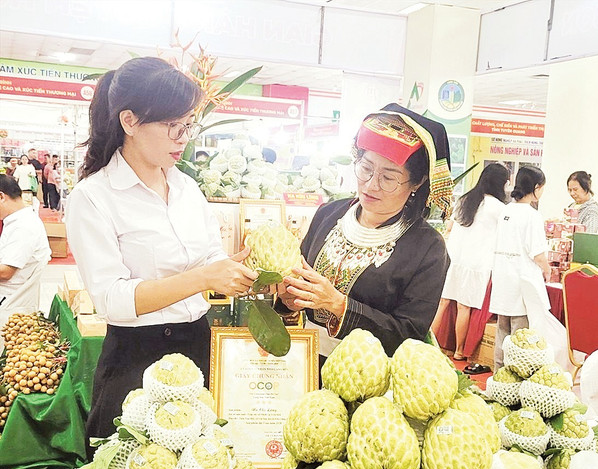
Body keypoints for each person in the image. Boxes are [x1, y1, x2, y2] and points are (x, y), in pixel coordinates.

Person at [65, 57, 257, 443]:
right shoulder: (94, 198)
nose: (183, 138)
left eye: (189, 125)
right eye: (172, 126)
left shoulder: (187, 188)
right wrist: (204, 277)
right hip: (137, 358)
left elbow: (207, 257)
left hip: (197, 345)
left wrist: (232, 268)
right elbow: (113, 300)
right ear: (129, 121)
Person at [276, 103, 451, 359]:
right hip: (305, 360)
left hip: (369, 375)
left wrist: (338, 304)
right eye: (366, 168)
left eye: (388, 178)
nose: (371, 185)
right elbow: (298, 280)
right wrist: (289, 300)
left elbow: (410, 332)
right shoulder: (329, 214)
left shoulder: (427, 247)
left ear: (417, 182)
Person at [490, 166, 571, 372]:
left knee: (502, 330)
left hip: (502, 278)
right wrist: (548, 271)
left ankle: (500, 374)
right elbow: (538, 254)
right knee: (520, 335)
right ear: (536, 188)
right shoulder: (532, 215)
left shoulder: (506, 210)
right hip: (522, 281)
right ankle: (515, 377)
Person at [432, 162, 509, 361]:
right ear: (501, 183)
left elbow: (450, 226)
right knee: (463, 307)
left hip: (452, 258)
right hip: (477, 263)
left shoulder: (465, 198)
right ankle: (459, 351)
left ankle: (428, 344)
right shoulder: (500, 209)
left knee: (442, 303)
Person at [0, 175, 51, 334]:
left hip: (10, 305)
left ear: (2, 196)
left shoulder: (24, 227)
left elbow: (6, 271)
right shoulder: (17, 221)